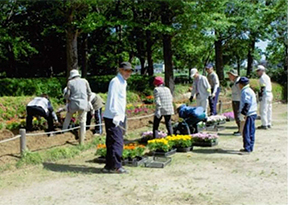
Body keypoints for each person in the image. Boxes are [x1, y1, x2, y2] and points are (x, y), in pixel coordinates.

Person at [102, 62, 134, 174]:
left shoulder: (122, 82)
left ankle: (109, 166)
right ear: (120, 70)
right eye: (126, 70)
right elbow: (113, 99)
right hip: (113, 116)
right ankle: (116, 166)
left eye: (130, 71)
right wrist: (115, 114)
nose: (128, 73)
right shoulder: (115, 82)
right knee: (117, 142)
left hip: (118, 116)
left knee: (112, 141)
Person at [62, 69, 92, 142]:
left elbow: (68, 95)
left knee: (68, 117)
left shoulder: (70, 82)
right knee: (82, 120)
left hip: (73, 104)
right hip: (83, 104)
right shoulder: (85, 81)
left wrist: (66, 98)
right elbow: (89, 93)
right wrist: (87, 100)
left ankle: (63, 132)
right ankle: (82, 137)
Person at [237, 77, 257, 154]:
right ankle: (250, 147)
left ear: (241, 84)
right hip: (252, 113)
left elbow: (247, 103)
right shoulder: (250, 90)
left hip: (248, 114)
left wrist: (243, 114)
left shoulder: (245, 91)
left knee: (246, 131)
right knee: (251, 131)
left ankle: (247, 148)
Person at [256, 65, 273, 130]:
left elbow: (263, 87)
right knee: (269, 109)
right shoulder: (267, 77)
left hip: (265, 94)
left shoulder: (262, 78)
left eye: (258, 70)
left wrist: (260, 95)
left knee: (263, 109)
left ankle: (264, 124)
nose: (257, 72)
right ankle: (269, 123)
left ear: (262, 70)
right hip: (270, 93)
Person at [227, 69, 241, 136]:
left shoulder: (238, 82)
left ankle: (240, 130)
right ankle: (240, 129)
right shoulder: (236, 81)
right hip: (236, 100)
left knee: (238, 115)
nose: (229, 76)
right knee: (237, 115)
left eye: (230, 75)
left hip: (238, 100)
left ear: (233, 75)